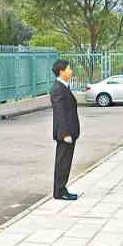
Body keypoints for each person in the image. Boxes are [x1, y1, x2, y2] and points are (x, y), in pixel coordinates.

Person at [51, 60, 80, 201]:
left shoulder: (64, 87)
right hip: (65, 133)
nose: (71, 71)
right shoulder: (58, 88)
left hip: (69, 132)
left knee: (65, 162)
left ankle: (62, 189)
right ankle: (60, 191)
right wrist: (65, 133)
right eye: (69, 69)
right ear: (61, 72)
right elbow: (59, 113)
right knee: (62, 162)